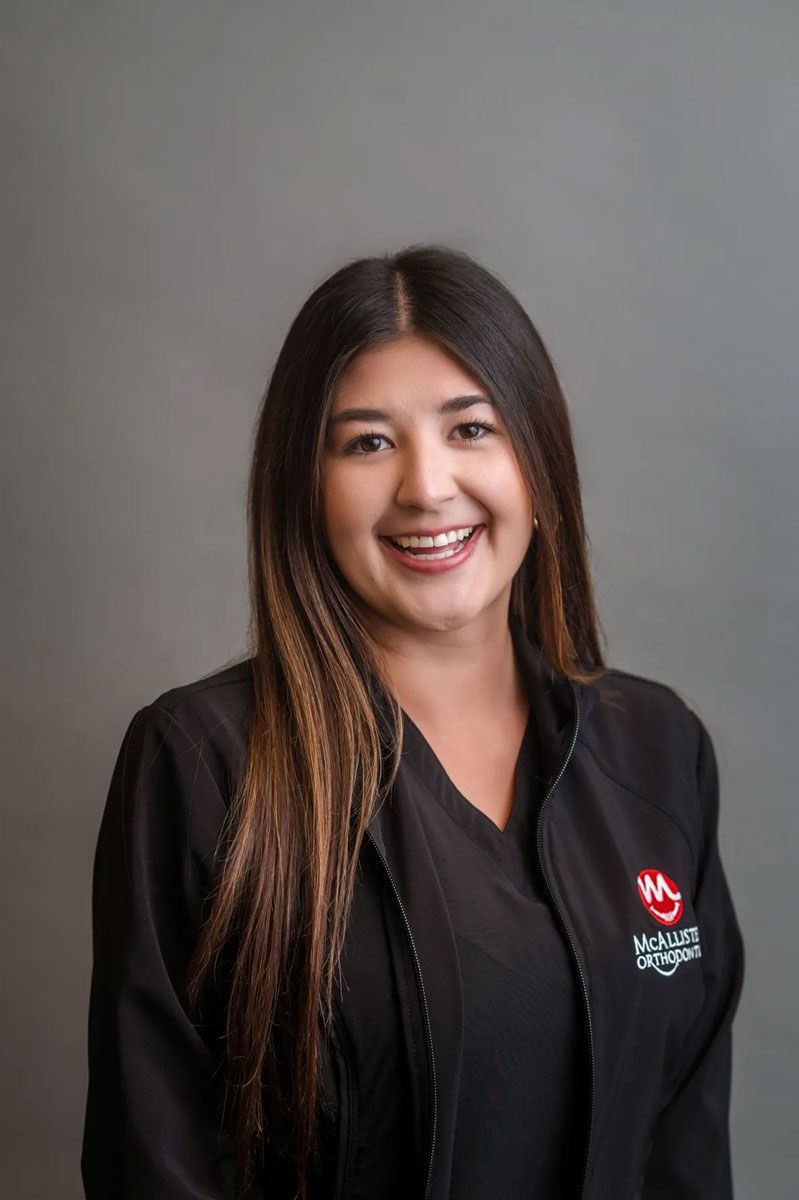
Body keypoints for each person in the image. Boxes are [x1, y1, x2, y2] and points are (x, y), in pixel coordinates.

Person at [80, 244, 745, 1200]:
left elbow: (685, 1146)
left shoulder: (658, 748)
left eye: (470, 429)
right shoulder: (205, 764)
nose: (427, 488)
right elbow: (156, 1163)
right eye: (367, 442)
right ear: (302, 486)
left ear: (537, 457)